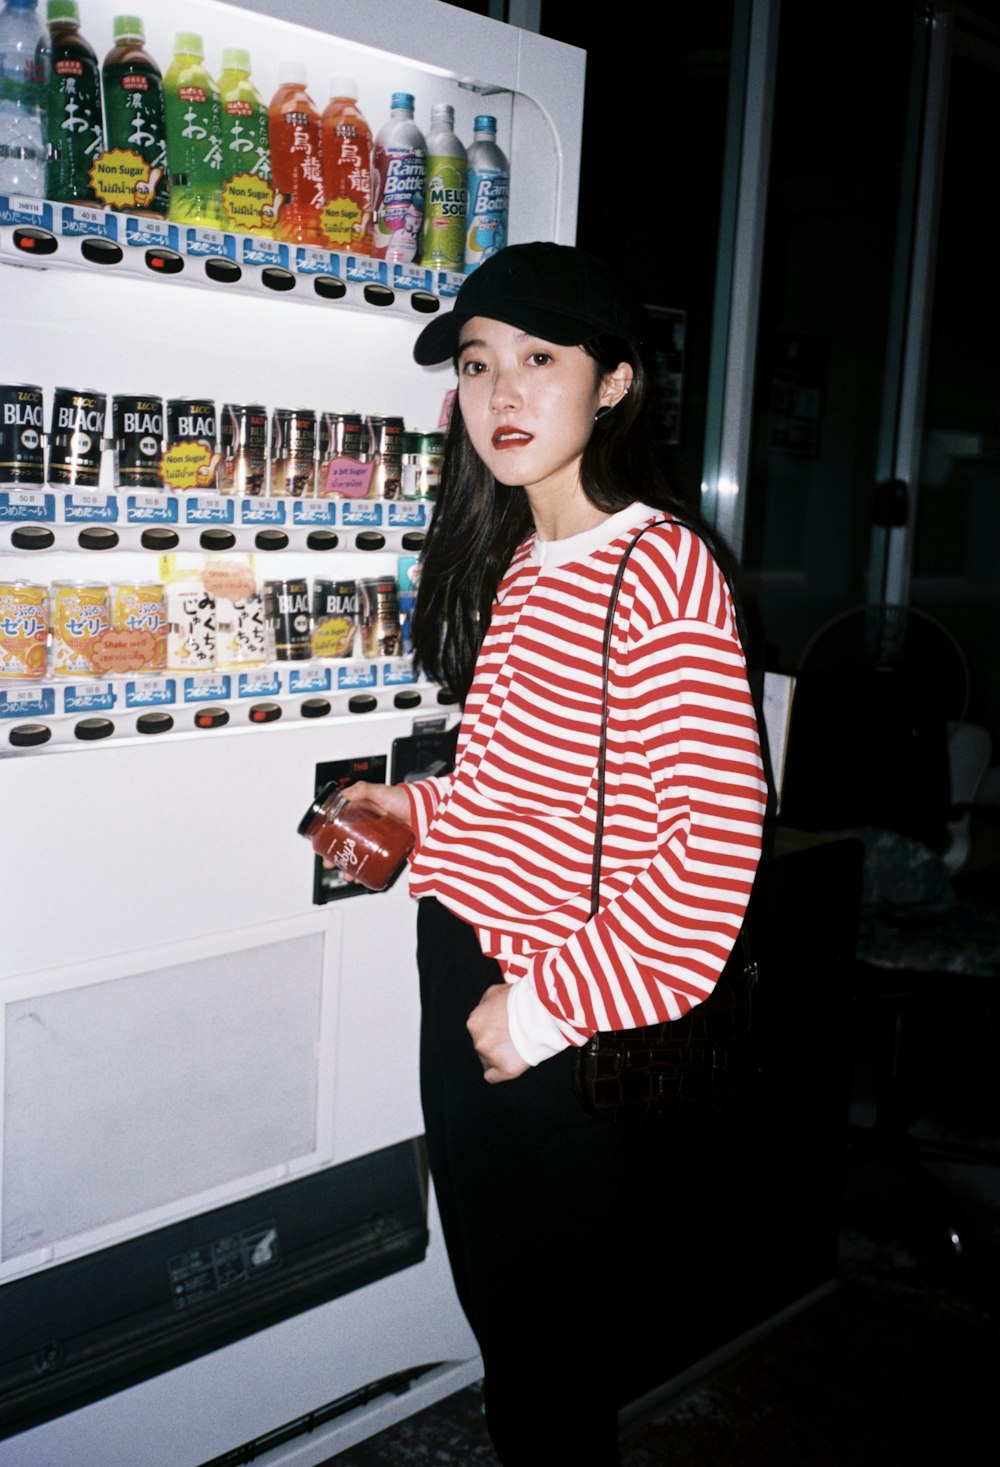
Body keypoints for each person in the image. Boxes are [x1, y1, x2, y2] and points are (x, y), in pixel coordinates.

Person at [340, 241, 767, 1465]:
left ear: (616, 383)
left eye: (541, 359)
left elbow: (710, 855)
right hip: (467, 958)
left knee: (553, 1359)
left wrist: (542, 1012)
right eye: (479, 366)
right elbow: (530, 798)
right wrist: (422, 807)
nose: (504, 395)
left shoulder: (660, 567)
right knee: (512, 1331)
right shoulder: (530, 562)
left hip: (557, 1007)